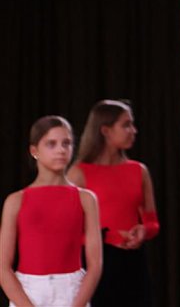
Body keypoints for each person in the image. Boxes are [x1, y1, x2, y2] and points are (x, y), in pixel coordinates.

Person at [0, 116, 102, 307]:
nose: (61, 150)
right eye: (51, 144)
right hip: (28, 292)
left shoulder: (86, 199)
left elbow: (95, 264)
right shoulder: (15, 201)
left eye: (66, 143)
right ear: (34, 151)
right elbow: (3, 267)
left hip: (72, 291)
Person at [69, 100, 159, 307]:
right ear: (106, 130)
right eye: (126, 125)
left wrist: (144, 230)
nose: (133, 130)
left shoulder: (139, 171)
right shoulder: (79, 174)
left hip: (134, 262)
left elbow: (152, 222)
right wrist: (109, 237)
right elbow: (68, 231)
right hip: (96, 264)